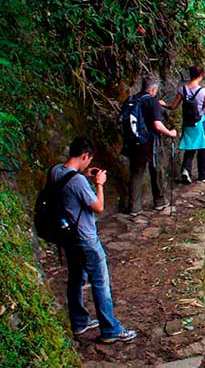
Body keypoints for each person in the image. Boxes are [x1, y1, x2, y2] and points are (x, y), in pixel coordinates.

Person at [54, 137, 137, 343]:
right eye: (89, 160)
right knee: (100, 282)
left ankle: (79, 321)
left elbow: (71, 187)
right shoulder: (79, 181)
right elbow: (98, 207)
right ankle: (110, 329)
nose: (89, 164)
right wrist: (99, 184)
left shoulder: (55, 171)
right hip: (86, 238)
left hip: (68, 236)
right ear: (85, 156)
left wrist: (86, 176)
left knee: (75, 278)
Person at [122, 76, 177, 215]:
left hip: (132, 142)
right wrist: (170, 133)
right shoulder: (152, 102)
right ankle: (159, 202)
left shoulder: (130, 100)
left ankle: (134, 208)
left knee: (136, 173)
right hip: (149, 143)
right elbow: (157, 125)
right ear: (153, 89)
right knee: (156, 170)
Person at [162, 65, 205, 184]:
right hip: (200, 124)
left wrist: (163, 104)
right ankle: (203, 175)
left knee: (189, 147)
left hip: (187, 124)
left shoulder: (182, 90)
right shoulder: (203, 92)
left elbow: (173, 106)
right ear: (201, 75)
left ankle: (186, 170)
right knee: (203, 148)